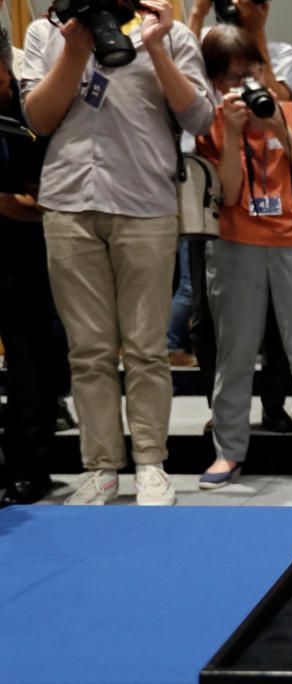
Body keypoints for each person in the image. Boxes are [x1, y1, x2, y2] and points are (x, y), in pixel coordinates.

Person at [22, 0, 214, 505]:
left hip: (145, 202)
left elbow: (199, 116)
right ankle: (102, 467)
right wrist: (75, 49)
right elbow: (38, 118)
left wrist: (154, 46)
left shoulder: (167, 31)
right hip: (67, 201)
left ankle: (151, 461)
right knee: (88, 351)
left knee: (147, 347)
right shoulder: (49, 31)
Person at [195, 25, 292, 489]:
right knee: (235, 354)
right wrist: (235, 134)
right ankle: (229, 451)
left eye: (252, 71)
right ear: (219, 83)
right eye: (235, 77)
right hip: (237, 245)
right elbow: (231, 192)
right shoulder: (215, 122)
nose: (247, 84)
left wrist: (278, 126)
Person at [0, 26, 61, 504]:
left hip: (29, 253)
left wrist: (18, 204)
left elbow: (39, 199)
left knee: (30, 363)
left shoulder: (31, 110)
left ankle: (30, 469)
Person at [187, 0, 292, 101]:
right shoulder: (202, 41)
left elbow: (280, 102)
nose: (237, 4)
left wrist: (257, 31)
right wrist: (197, 13)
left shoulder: (283, 53)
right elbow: (184, 74)